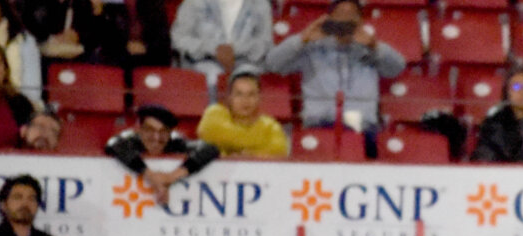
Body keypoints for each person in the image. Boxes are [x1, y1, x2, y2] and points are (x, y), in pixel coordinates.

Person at [265, 0, 405, 148]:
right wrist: (302, 39)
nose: (345, 20)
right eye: (340, 14)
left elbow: (397, 68)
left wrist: (374, 46)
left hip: (361, 126)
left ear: (360, 21)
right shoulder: (312, 49)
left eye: (351, 16)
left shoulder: (371, 50)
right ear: (329, 18)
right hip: (319, 123)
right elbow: (273, 64)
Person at [105, 104, 221, 204]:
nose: (156, 138)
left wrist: (170, 177)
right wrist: (151, 176)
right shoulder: (130, 140)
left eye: (163, 131)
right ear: (139, 129)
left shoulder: (175, 142)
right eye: (150, 130)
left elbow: (209, 148)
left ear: (170, 133)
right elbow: (113, 144)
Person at [171, 0, 272, 90]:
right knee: (213, 77)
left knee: (247, 81)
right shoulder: (193, 3)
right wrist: (213, 49)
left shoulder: (260, 3)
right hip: (203, 62)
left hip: (246, 63)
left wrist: (234, 50)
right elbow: (179, 38)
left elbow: (265, 42)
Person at [195, 68, 289, 158]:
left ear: (259, 98)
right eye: (239, 94)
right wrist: (254, 150)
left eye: (251, 94)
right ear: (229, 97)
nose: (245, 100)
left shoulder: (270, 126)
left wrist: (242, 154)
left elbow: (279, 151)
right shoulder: (215, 113)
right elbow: (208, 132)